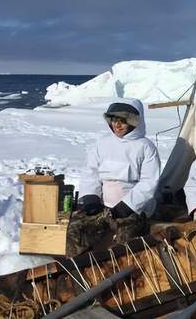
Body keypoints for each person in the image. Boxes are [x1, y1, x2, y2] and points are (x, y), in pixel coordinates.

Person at [67, 99, 160, 257]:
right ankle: (77, 272)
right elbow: (91, 172)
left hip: (131, 210)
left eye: (123, 121)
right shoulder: (102, 144)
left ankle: (125, 276)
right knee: (76, 231)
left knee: (125, 245)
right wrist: (91, 198)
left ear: (134, 121)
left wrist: (129, 205)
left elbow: (149, 182)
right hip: (102, 207)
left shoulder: (146, 147)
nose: (117, 125)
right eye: (114, 120)